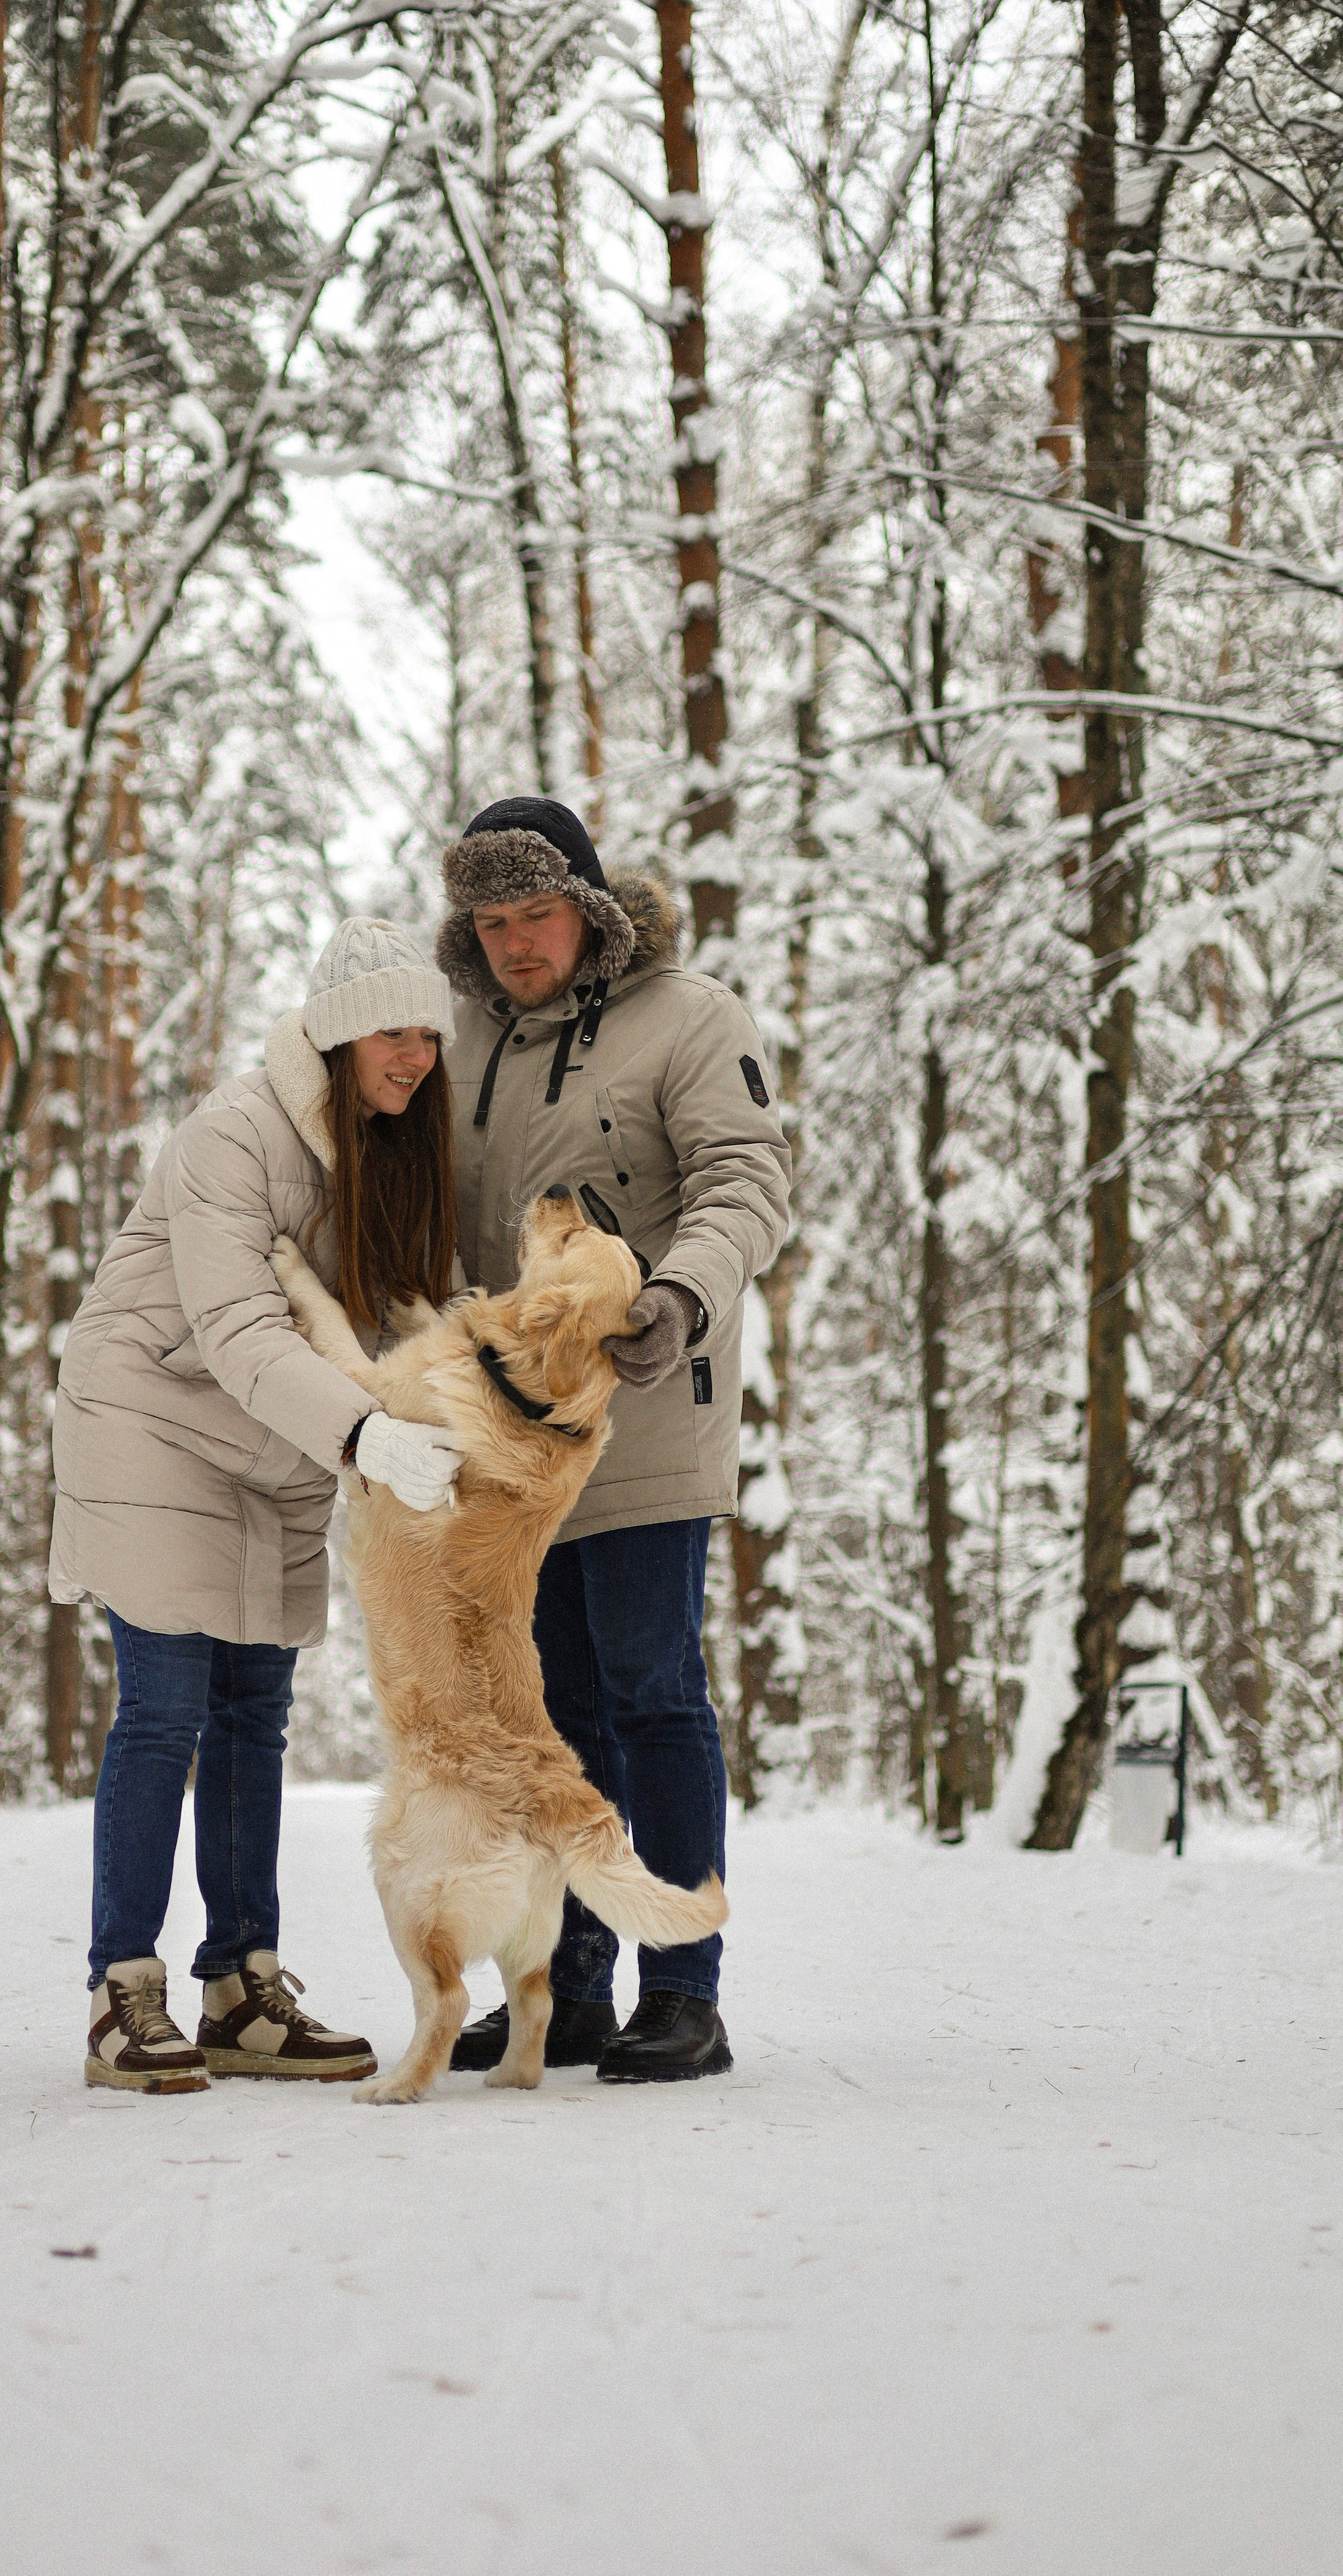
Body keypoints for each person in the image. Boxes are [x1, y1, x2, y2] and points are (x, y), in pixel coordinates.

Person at [50, 920, 466, 2094]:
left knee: (254, 1712)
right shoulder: (229, 1137)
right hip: (155, 1421)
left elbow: (415, 1313)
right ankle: (122, 1994)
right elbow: (237, 1331)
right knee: (169, 1705)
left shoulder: (395, 1150)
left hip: (279, 1447)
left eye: (432, 1032)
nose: (418, 1053)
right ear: (339, 1030)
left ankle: (242, 1989)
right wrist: (366, 1436)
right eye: (397, 1028)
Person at [435, 798, 791, 2084]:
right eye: (492, 921)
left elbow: (746, 1177)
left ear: (587, 911)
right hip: (511, 1445)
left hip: (644, 1407)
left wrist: (680, 1293)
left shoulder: (688, 1018)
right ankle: (564, 1988)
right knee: (544, 1712)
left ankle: (682, 1987)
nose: (516, 943)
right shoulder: (461, 1036)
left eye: (536, 914)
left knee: (648, 1693)